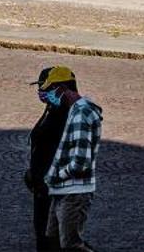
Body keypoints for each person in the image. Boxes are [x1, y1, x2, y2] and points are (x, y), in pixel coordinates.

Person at [31, 66, 102, 252]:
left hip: (69, 190)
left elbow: (80, 161)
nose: (44, 94)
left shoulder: (78, 114)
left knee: (70, 245)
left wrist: (52, 177)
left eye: (48, 89)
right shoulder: (62, 110)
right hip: (56, 189)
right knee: (51, 239)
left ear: (62, 88)